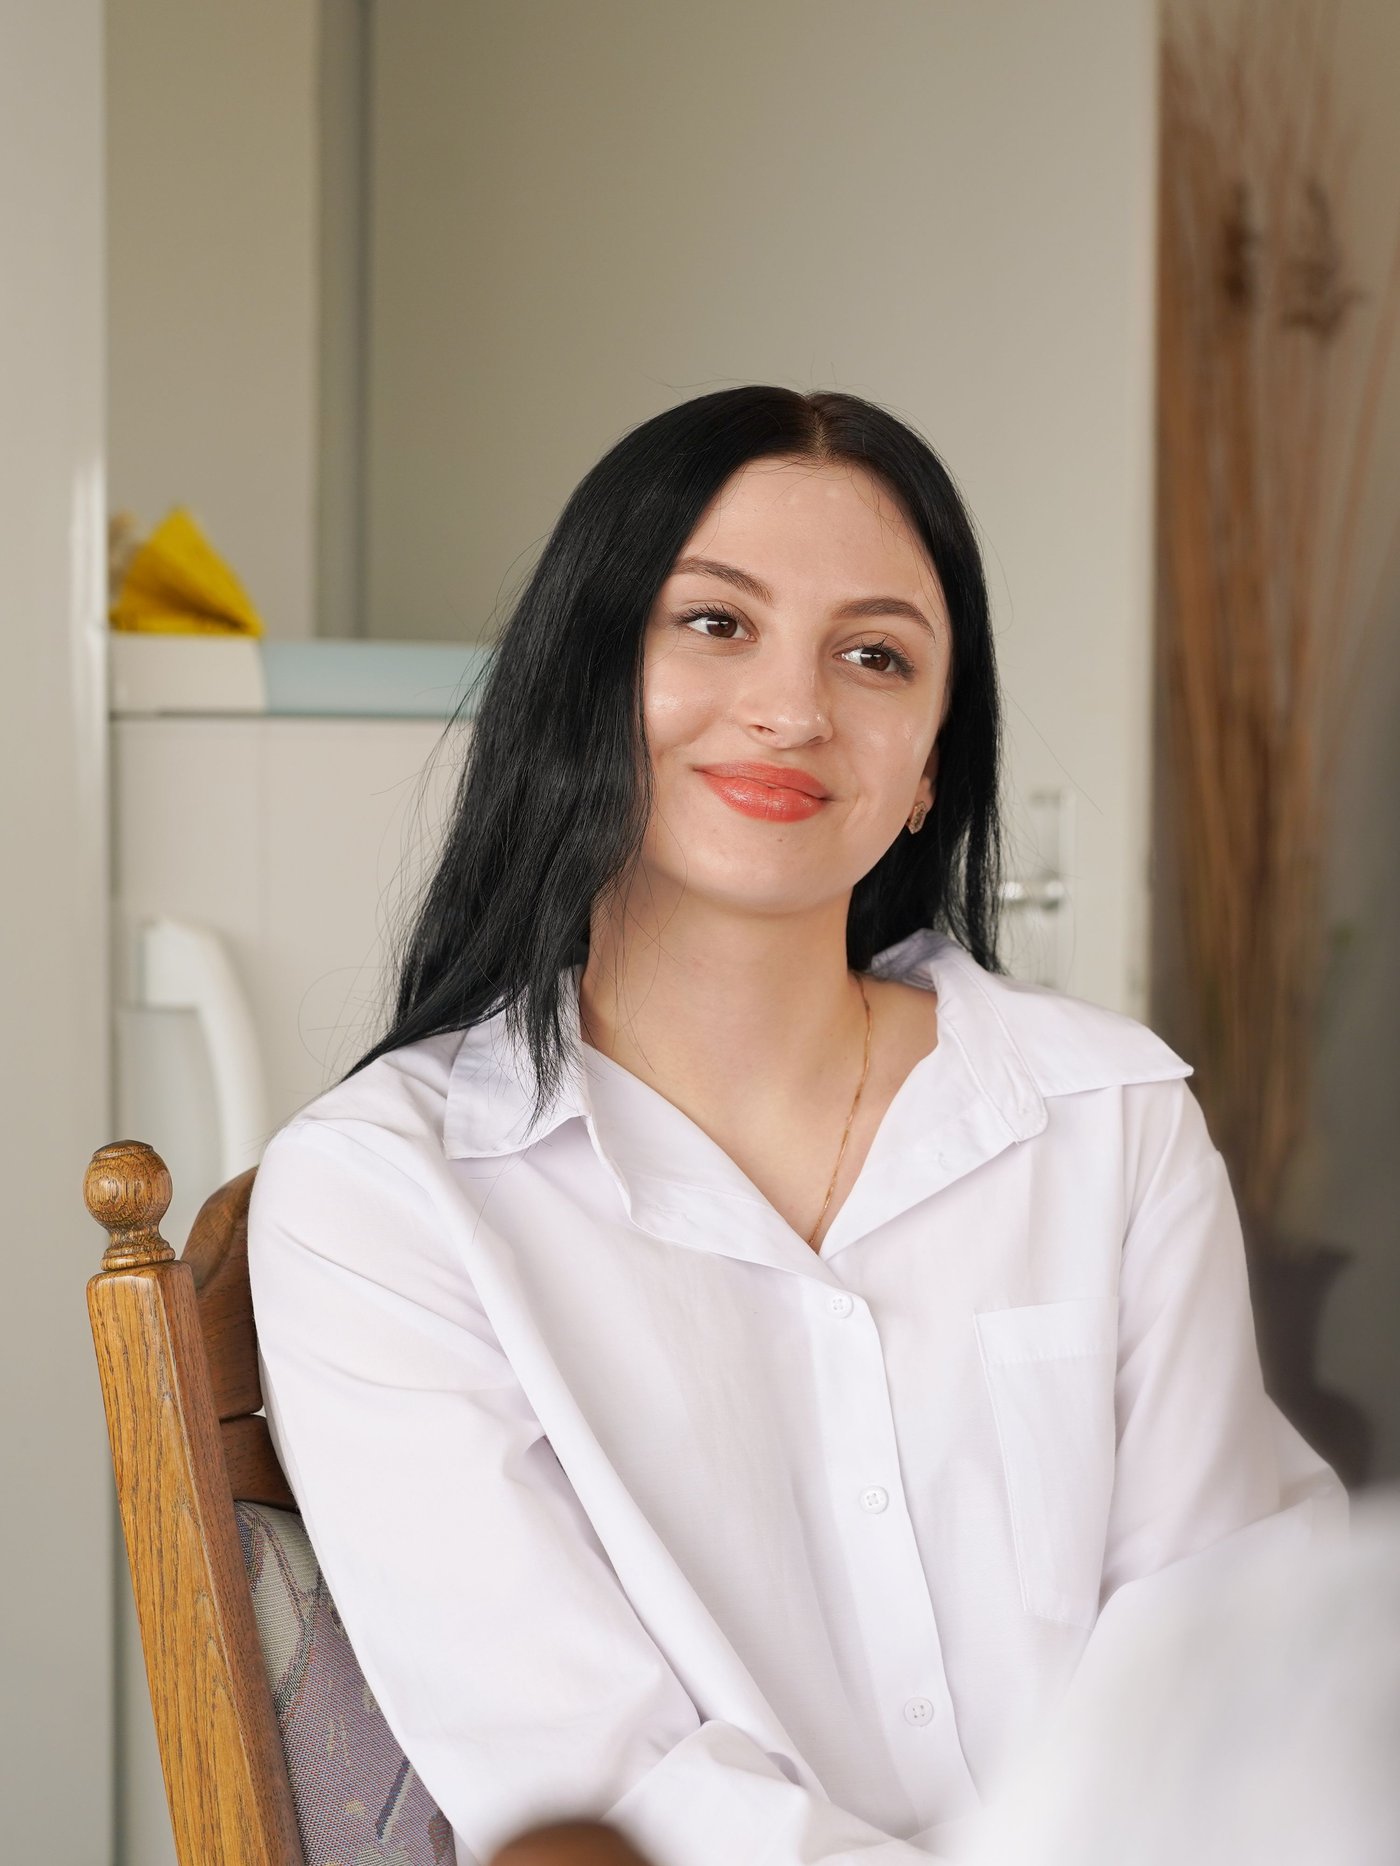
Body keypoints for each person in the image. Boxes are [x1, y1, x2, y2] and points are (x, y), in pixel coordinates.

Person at [247, 385, 1348, 1866]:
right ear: (584, 680)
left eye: (875, 654)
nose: (792, 706)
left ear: (930, 769)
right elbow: (586, 1769)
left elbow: (1227, 1663)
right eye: (714, 623)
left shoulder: (1113, 1123)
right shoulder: (385, 1198)